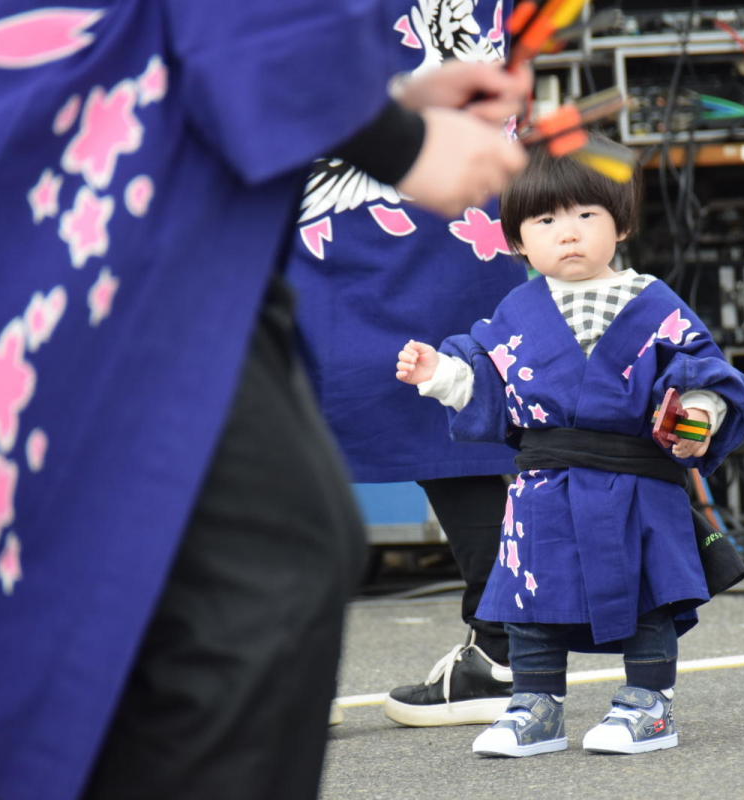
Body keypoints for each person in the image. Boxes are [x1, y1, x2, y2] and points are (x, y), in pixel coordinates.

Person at [0, 2, 527, 798]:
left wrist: (381, 109)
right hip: (93, 191)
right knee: (265, 570)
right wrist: (398, 141)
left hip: (75, 147)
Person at [395, 136, 744, 757]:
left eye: (587, 215)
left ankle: (649, 704)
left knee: (648, 597)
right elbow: (485, 377)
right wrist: (440, 374)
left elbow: (704, 370)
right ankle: (535, 705)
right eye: (546, 219)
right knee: (530, 598)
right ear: (515, 239)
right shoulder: (514, 312)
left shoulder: (654, 302)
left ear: (622, 223)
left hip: (637, 478)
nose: (569, 232)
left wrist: (699, 410)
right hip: (544, 485)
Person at [285, 0, 526, 728]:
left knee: (275, 405)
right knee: (461, 393)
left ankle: (281, 674)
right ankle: (504, 648)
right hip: (457, 178)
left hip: (348, 162)